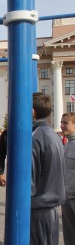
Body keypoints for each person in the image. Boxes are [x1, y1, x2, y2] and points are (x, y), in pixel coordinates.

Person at [31, 93, 65, 245]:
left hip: (38, 207)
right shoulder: (52, 134)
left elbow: (28, 181)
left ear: (32, 112)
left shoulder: (34, 137)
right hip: (50, 207)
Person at [60, 112, 75, 245]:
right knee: (69, 236)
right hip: (66, 198)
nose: (62, 125)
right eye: (61, 122)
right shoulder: (66, 144)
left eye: (65, 123)